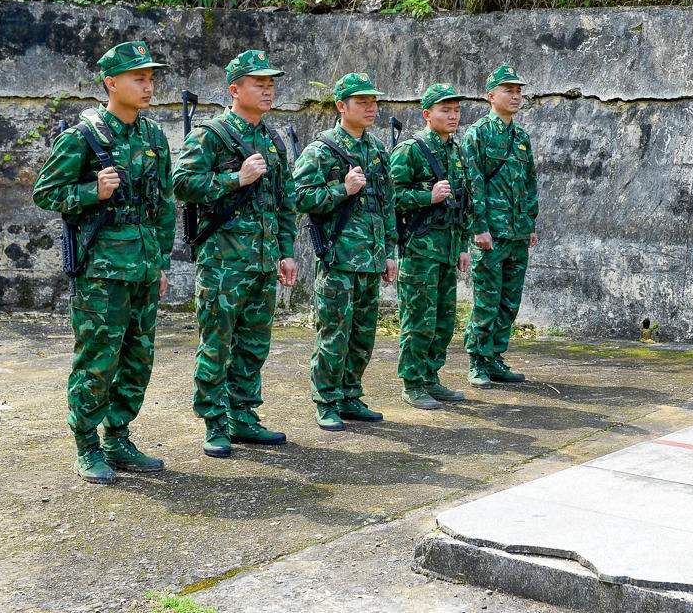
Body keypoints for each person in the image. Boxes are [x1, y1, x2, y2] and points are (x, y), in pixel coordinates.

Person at [33, 41, 174, 483]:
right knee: (98, 358)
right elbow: (46, 193)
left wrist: (162, 261)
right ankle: (87, 444)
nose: (148, 86)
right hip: (102, 272)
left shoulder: (153, 137)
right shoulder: (84, 136)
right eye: (139, 78)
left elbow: (162, 205)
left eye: (151, 78)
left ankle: (118, 437)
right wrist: (93, 191)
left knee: (138, 358)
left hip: (145, 267)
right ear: (111, 83)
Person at [173, 49, 297, 458]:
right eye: (258, 82)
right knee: (217, 343)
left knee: (253, 344)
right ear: (234, 89)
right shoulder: (212, 134)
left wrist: (286, 251)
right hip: (224, 262)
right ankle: (214, 422)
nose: (267, 88)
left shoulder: (272, 138)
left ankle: (243, 416)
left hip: (263, 261)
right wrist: (234, 179)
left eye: (271, 82)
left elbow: (283, 201)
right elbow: (182, 184)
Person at [293, 73, 397, 431]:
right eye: (361, 102)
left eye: (373, 102)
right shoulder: (321, 150)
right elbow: (299, 197)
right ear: (341, 106)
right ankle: (326, 400)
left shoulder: (379, 150)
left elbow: (386, 205)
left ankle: (351, 394)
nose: (371, 108)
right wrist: (342, 188)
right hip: (338, 259)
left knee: (363, 334)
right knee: (333, 334)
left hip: (370, 259)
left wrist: (389, 252)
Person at [390, 84, 472, 410]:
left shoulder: (456, 151)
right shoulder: (410, 150)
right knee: (418, 320)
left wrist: (464, 246)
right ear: (427, 114)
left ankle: (430, 377)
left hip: (448, 249)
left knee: (443, 320)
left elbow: (463, 203)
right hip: (419, 251)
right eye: (445, 110)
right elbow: (390, 198)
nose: (452, 116)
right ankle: (412, 384)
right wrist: (428, 196)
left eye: (456, 110)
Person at [459, 65, 538, 388]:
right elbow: (471, 184)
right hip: (491, 233)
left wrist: (530, 223)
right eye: (509, 90)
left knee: (509, 301)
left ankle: (495, 357)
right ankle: (477, 360)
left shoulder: (520, 137)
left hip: (517, 232)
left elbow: (529, 182)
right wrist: (479, 228)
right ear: (491, 96)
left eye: (518, 90)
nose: (516, 95)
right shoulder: (477, 134)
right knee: (487, 300)